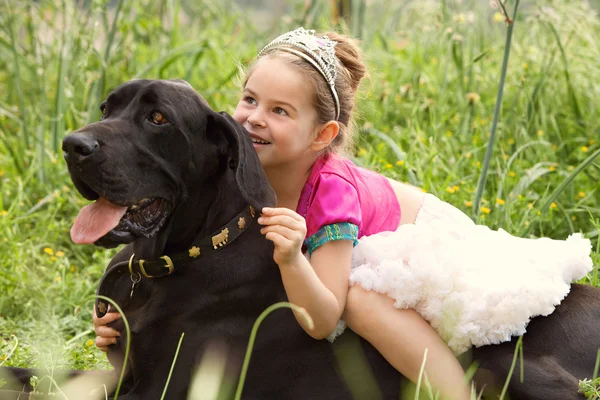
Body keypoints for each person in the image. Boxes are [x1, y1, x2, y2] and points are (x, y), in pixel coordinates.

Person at [93, 27, 593, 400]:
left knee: (361, 305)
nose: (253, 119)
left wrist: (292, 259)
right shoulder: (246, 164)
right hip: (344, 249)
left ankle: (454, 394)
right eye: (249, 99)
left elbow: (321, 315)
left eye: (280, 111)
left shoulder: (330, 193)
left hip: (416, 246)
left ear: (323, 135)